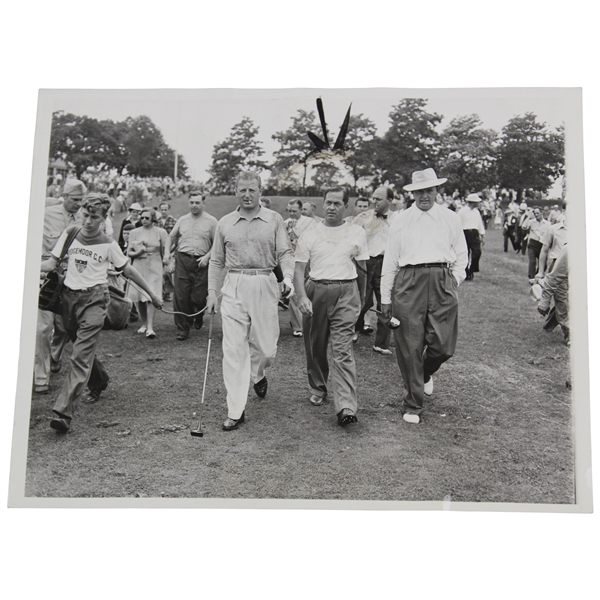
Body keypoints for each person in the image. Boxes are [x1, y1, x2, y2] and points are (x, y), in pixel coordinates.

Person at [39, 193, 163, 433]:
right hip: (69, 301)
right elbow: (50, 264)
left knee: (79, 357)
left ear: (102, 218)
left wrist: (153, 296)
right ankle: (100, 380)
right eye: (84, 215)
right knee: (80, 349)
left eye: (93, 217)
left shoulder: (108, 244)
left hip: (95, 301)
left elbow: (128, 271)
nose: (87, 221)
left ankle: (63, 414)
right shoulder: (70, 234)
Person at [206, 171, 294, 431]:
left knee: (266, 348)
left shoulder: (273, 219)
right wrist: (212, 291)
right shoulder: (225, 222)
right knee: (233, 350)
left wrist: (287, 279)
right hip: (233, 283)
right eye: (242, 190)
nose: (247, 195)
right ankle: (236, 410)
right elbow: (216, 261)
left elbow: (286, 253)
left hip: (265, 282)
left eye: (251, 190)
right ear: (236, 191)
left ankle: (258, 372)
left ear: (260, 191)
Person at [381, 168, 468, 424]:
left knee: (443, 345)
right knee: (409, 345)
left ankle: (425, 373)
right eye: (419, 191)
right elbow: (390, 261)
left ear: (436, 191)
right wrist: (385, 298)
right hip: (409, 282)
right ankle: (413, 405)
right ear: (412, 193)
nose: (424, 196)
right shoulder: (401, 220)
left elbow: (462, 255)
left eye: (428, 190)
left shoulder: (450, 218)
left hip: (442, 280)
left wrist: (455, 280)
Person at [294, 187, 369, 426]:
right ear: (323, 204)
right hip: (316, 289)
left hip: (346, 292)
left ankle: (346, 405)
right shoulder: (310, 232)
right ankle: (318, 385)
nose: (332, 208)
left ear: (345, 206)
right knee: (315, 345)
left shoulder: (356, 232)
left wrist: (361, 302)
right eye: (328, 203)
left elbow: (363, 270)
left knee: (342, 349)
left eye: (337, 203)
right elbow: (298, 271)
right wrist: (302, 297)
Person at [34, 178, 85, 393]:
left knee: (67, 324)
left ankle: (55, 353)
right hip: (47, 275)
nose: (78, 205)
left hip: (73, 275)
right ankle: (41, 377)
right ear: (63, 197)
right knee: (43, 328)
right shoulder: (45, 215)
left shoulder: (84, 217)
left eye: (81, 200)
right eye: (74, 200)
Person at [351, 185, 397, 354]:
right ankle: (354, 330)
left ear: (390, 201)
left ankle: (382, 343)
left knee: (386, 300)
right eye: (374, 198)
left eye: (379, 199)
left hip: (387, 263)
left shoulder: (398, 219)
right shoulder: (363, 217)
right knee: (363, 299)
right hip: (365, 262)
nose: (374, 201)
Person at [169, 191, 217, 340]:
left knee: (199, 296)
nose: (194, 205)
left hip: (201, 262)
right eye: (192, 202)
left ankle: (198, 313)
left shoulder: (211, 221)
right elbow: (171, 236)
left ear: (203, 203)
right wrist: (166, 254)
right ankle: (182, 327)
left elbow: (217, 244)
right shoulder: (182, 220)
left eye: (197, 202)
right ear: (188, 203)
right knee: (181, 295)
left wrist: (207, 257)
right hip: (183, 259)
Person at [126, 208, 170, 339]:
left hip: (155, 264)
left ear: (153, 219)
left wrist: (166, 262)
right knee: (140, 295)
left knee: (152, 294)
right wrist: (139, 252)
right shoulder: (134, 232)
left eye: (147, 218)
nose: (144, 220)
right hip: (139, 264)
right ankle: (144, 323)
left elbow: (165, 248)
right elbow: (129, 252)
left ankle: (150, 327)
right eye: (142, 218)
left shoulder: (160, 232)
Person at [284, 198, 317, 337]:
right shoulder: (284, 223)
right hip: (291, 260)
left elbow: (314, 240)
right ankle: (298, 326)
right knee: (293, 293)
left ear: (300, 209)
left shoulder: (310, 222)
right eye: (289, 211)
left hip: (307, 261)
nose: (291, 213)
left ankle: (310, 322)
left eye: (294, 211)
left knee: (308, 290)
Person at [537, 245, 569, 345]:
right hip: (563, 278)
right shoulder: (571, 248)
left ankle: (549, 325)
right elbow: (555, 277)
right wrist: (544, 301)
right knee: (563, 304)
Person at [458, 193, 486, 280]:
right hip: (464, 233)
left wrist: (482, 235)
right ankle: (466, 272)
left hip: (474, 233)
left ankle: (472, 270)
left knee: (477, 252)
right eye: (477, 202)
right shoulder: (462, 211)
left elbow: (479, 224)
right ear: (473, 202)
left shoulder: (476, 212)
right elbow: (457, 224)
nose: (478, 204)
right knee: (465, 254)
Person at [522, 206, 550, 280]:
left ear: (541, 213)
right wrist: (529, 216)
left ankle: (537, 275)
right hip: (533, 244)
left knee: (544, 264)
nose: (536, 215)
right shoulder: (531, 222)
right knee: (532, 261)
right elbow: (524, 226)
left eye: (537, 213)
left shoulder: (547, 224)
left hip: (542, 244)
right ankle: (531, 277)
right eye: (535, 213)